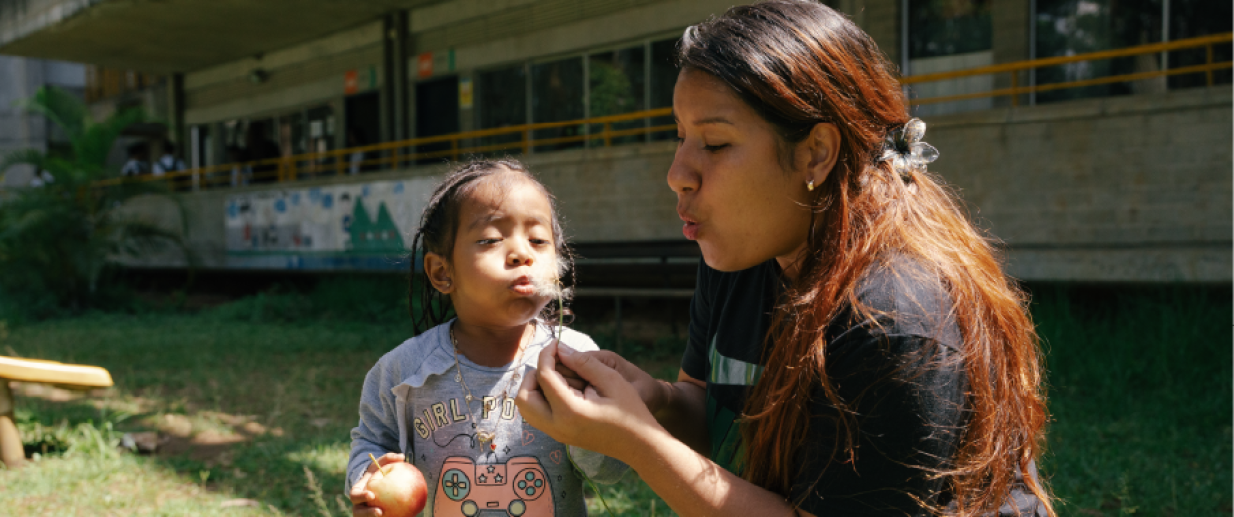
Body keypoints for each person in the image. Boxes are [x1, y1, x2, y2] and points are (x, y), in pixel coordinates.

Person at [515, 2, 1054, 517]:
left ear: (815, 152)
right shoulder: (740, 257)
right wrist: (652, 399)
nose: (677, 172)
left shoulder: (896, 322)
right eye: (680, 136)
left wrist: (636, 441)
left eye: (716, 143)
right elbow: (713, 417)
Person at [346, 159, 626, 516]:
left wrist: (586, 426)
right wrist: (369, 483)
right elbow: (370, 445)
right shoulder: (403, 372)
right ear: (442, 272)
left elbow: (608, 473)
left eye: (539, 241)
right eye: (492, 239)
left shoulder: (577, 358)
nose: (523, 253)